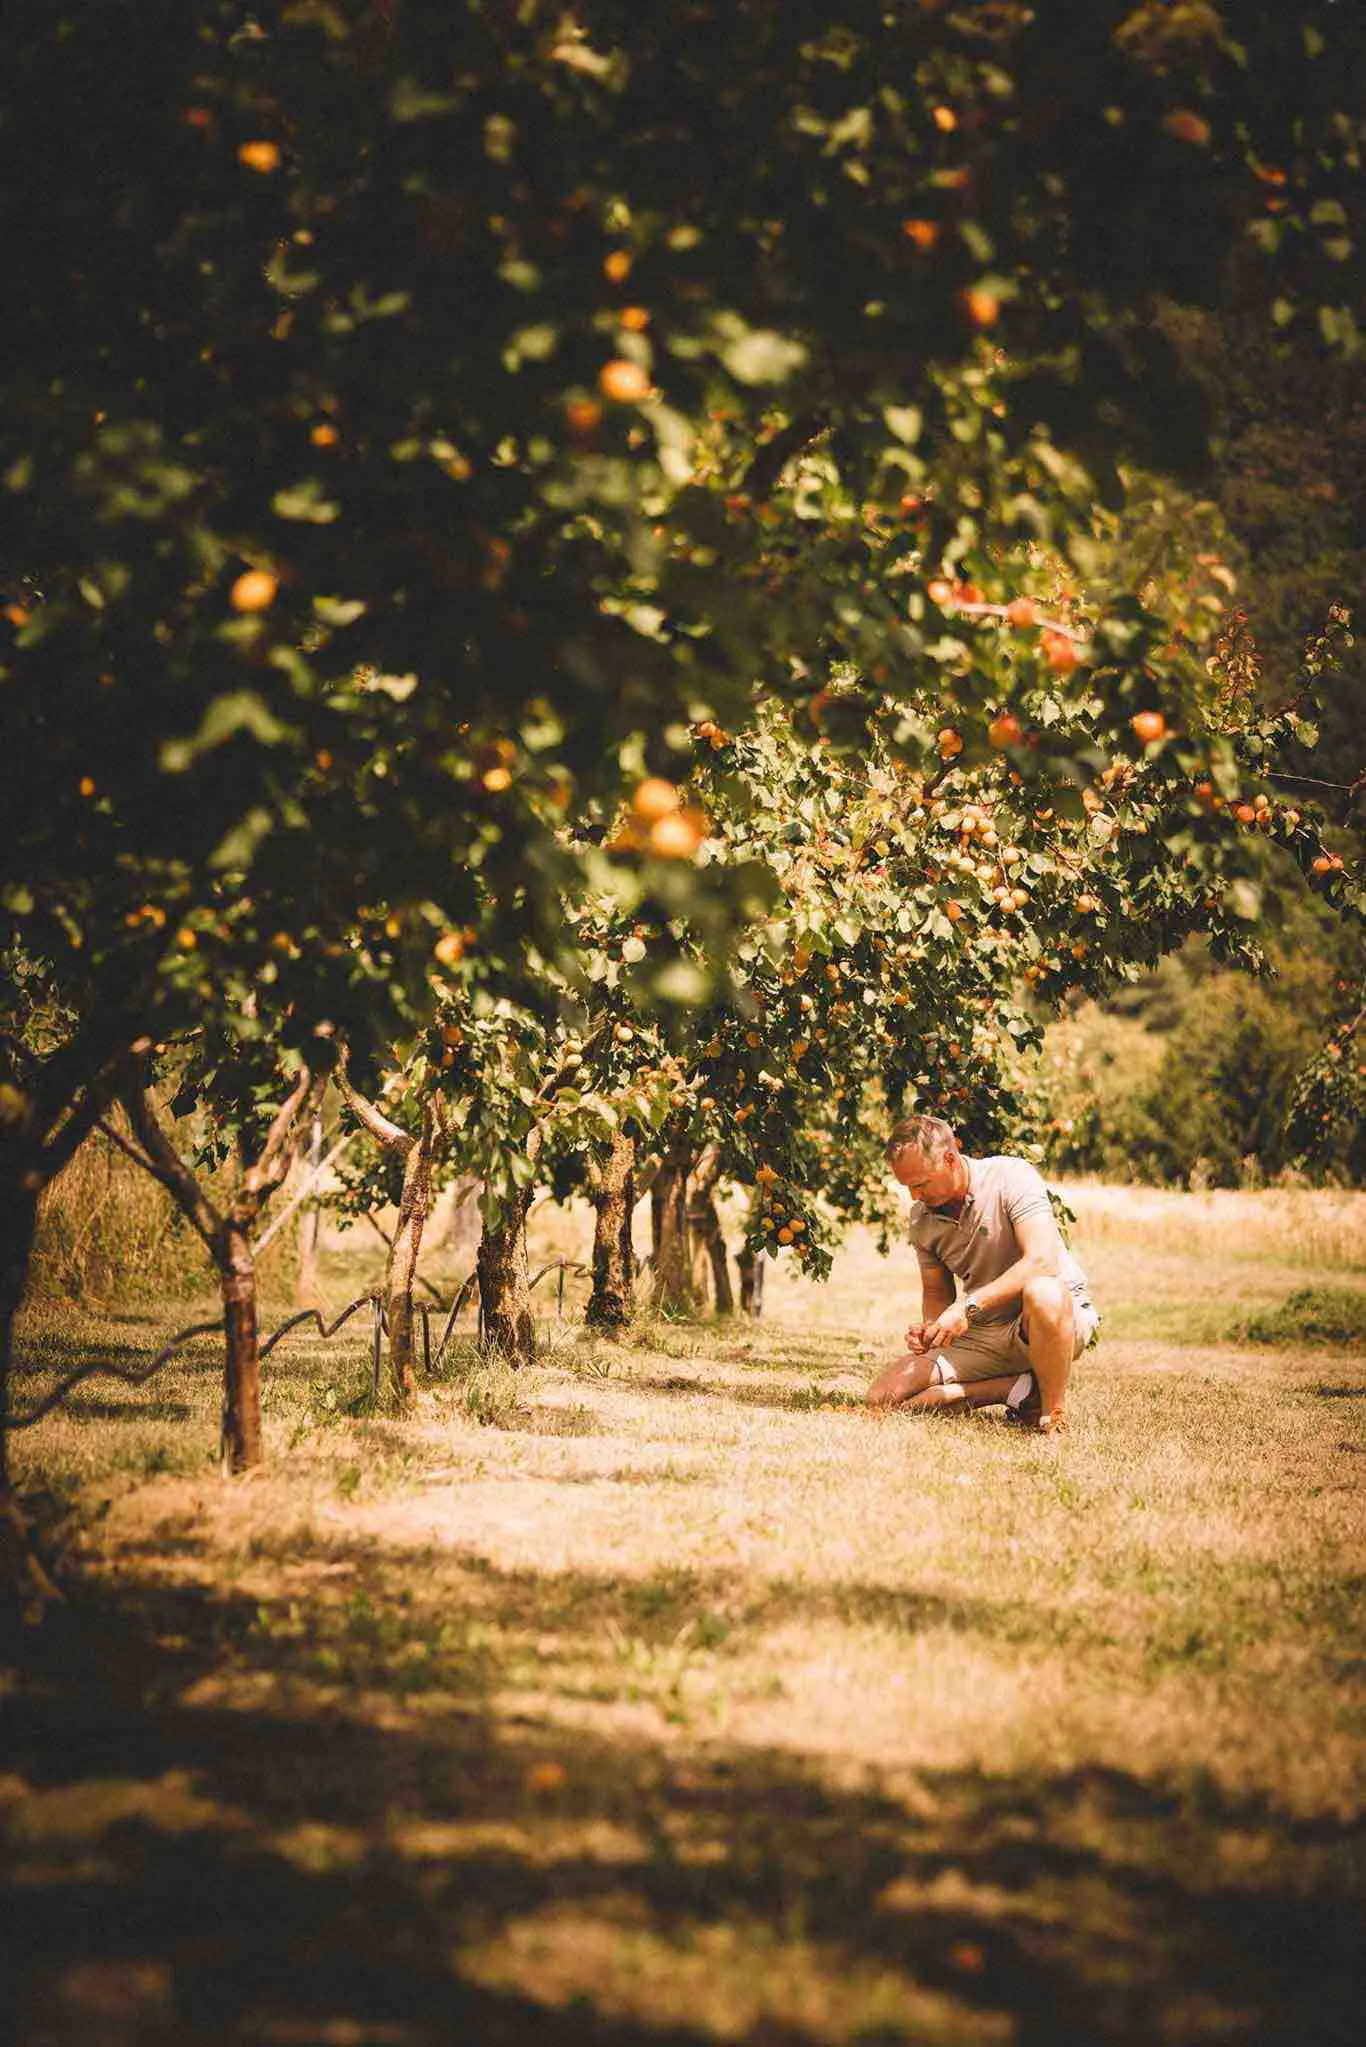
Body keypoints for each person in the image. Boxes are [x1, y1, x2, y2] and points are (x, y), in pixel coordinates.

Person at [866, 1114, 1098, 1435]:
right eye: (908, 1187)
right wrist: (932, 1331)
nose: (915, 1197)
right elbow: (937, 1293)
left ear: (950, 1159)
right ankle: (1012, 1390)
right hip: (986, 1330)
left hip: (1052, 1317)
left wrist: (968, 1307)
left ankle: (1052, 1415)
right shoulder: (921, 1220)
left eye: (920, 1184)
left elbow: (1042, 1261)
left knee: (1044, 1291)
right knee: (882, 1398)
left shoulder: (1011, 1176)